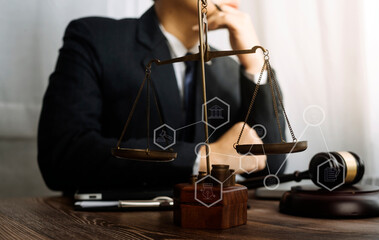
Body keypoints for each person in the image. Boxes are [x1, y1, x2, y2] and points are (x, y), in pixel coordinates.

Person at [38, 0, 286, 193]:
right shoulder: (96, 38)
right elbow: (62, 157)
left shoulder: (231, 71)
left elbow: (271, 170)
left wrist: (255, 66)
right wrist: (201, 158)